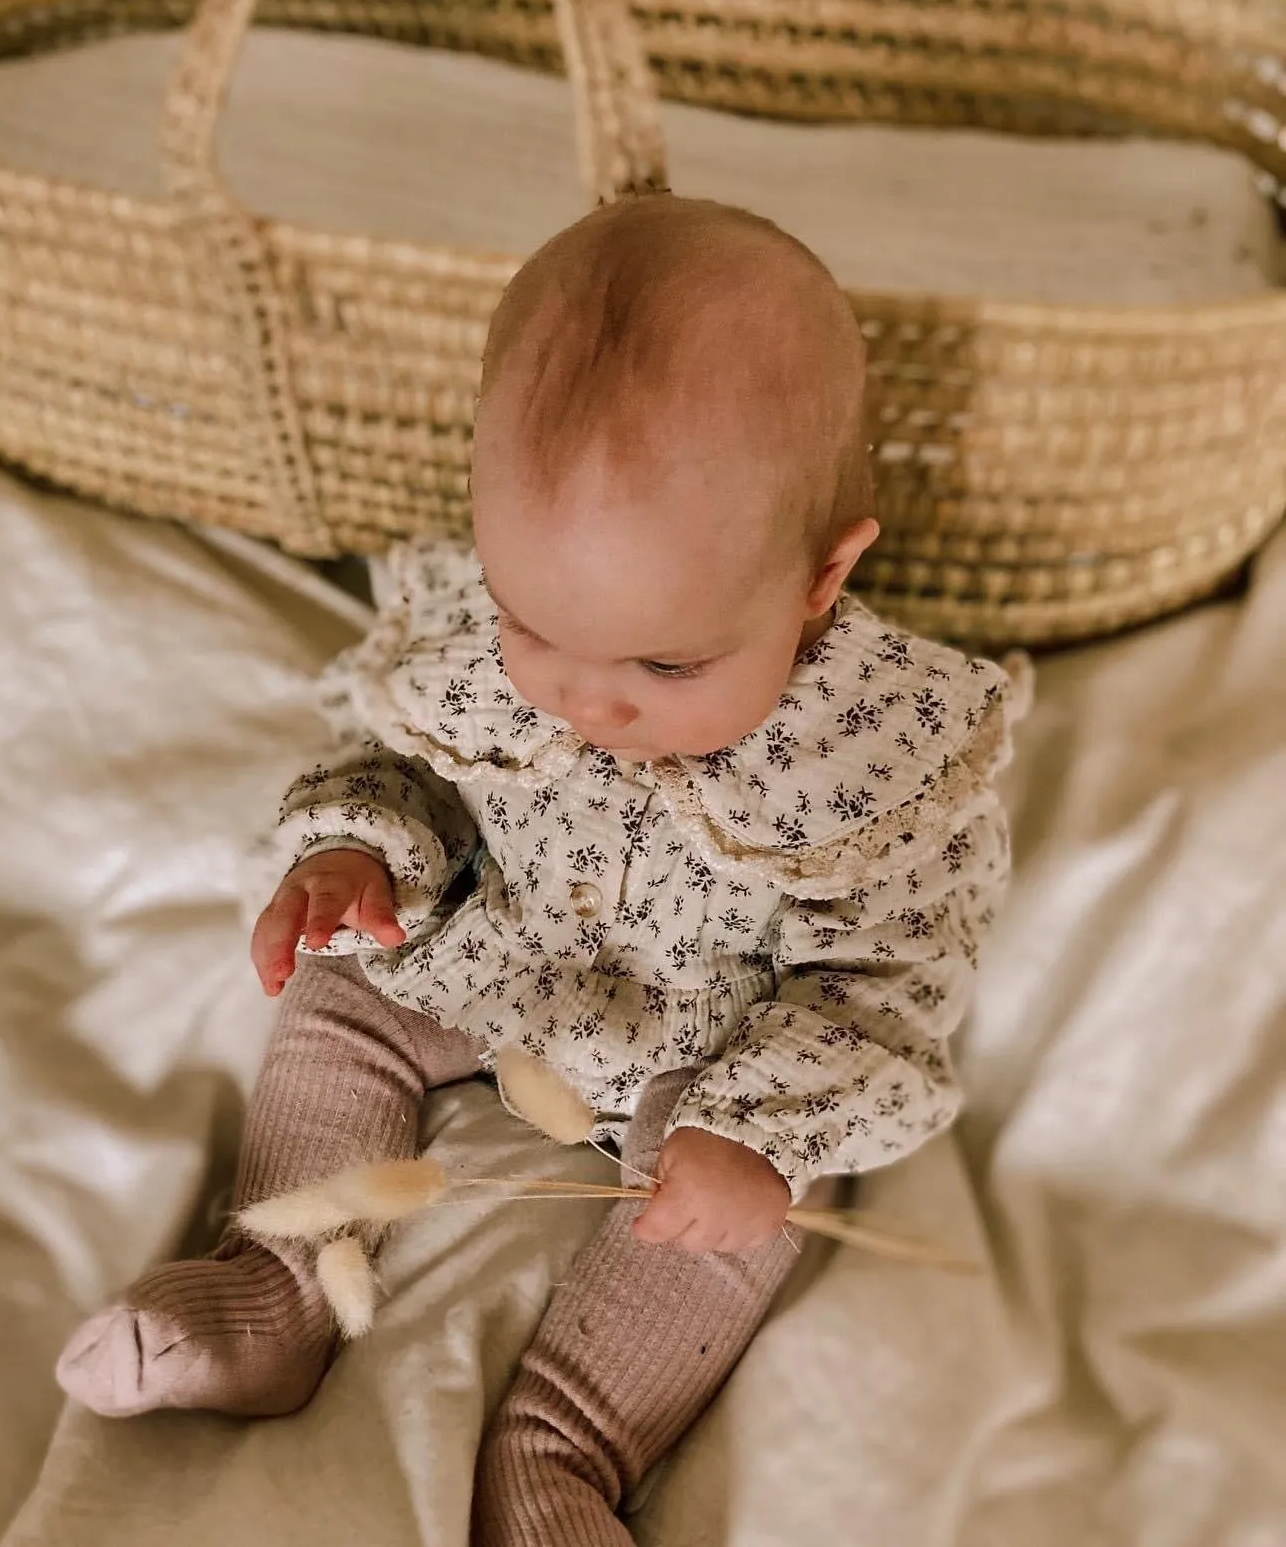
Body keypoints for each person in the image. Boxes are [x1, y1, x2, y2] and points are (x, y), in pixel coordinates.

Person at [57, 193, 1020, 1547]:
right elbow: (404, 761)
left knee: (743, 1211)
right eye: (534, 628)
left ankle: (561, 1450)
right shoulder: (489, 637)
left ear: (818, 577)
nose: (585, 700)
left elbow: (891, 984)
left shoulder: (874, 759)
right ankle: (278, 1281)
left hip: (712, 1052)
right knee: (348, 998)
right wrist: (353, 850)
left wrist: (753, 1136)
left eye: (666, 666)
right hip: (505, 957)